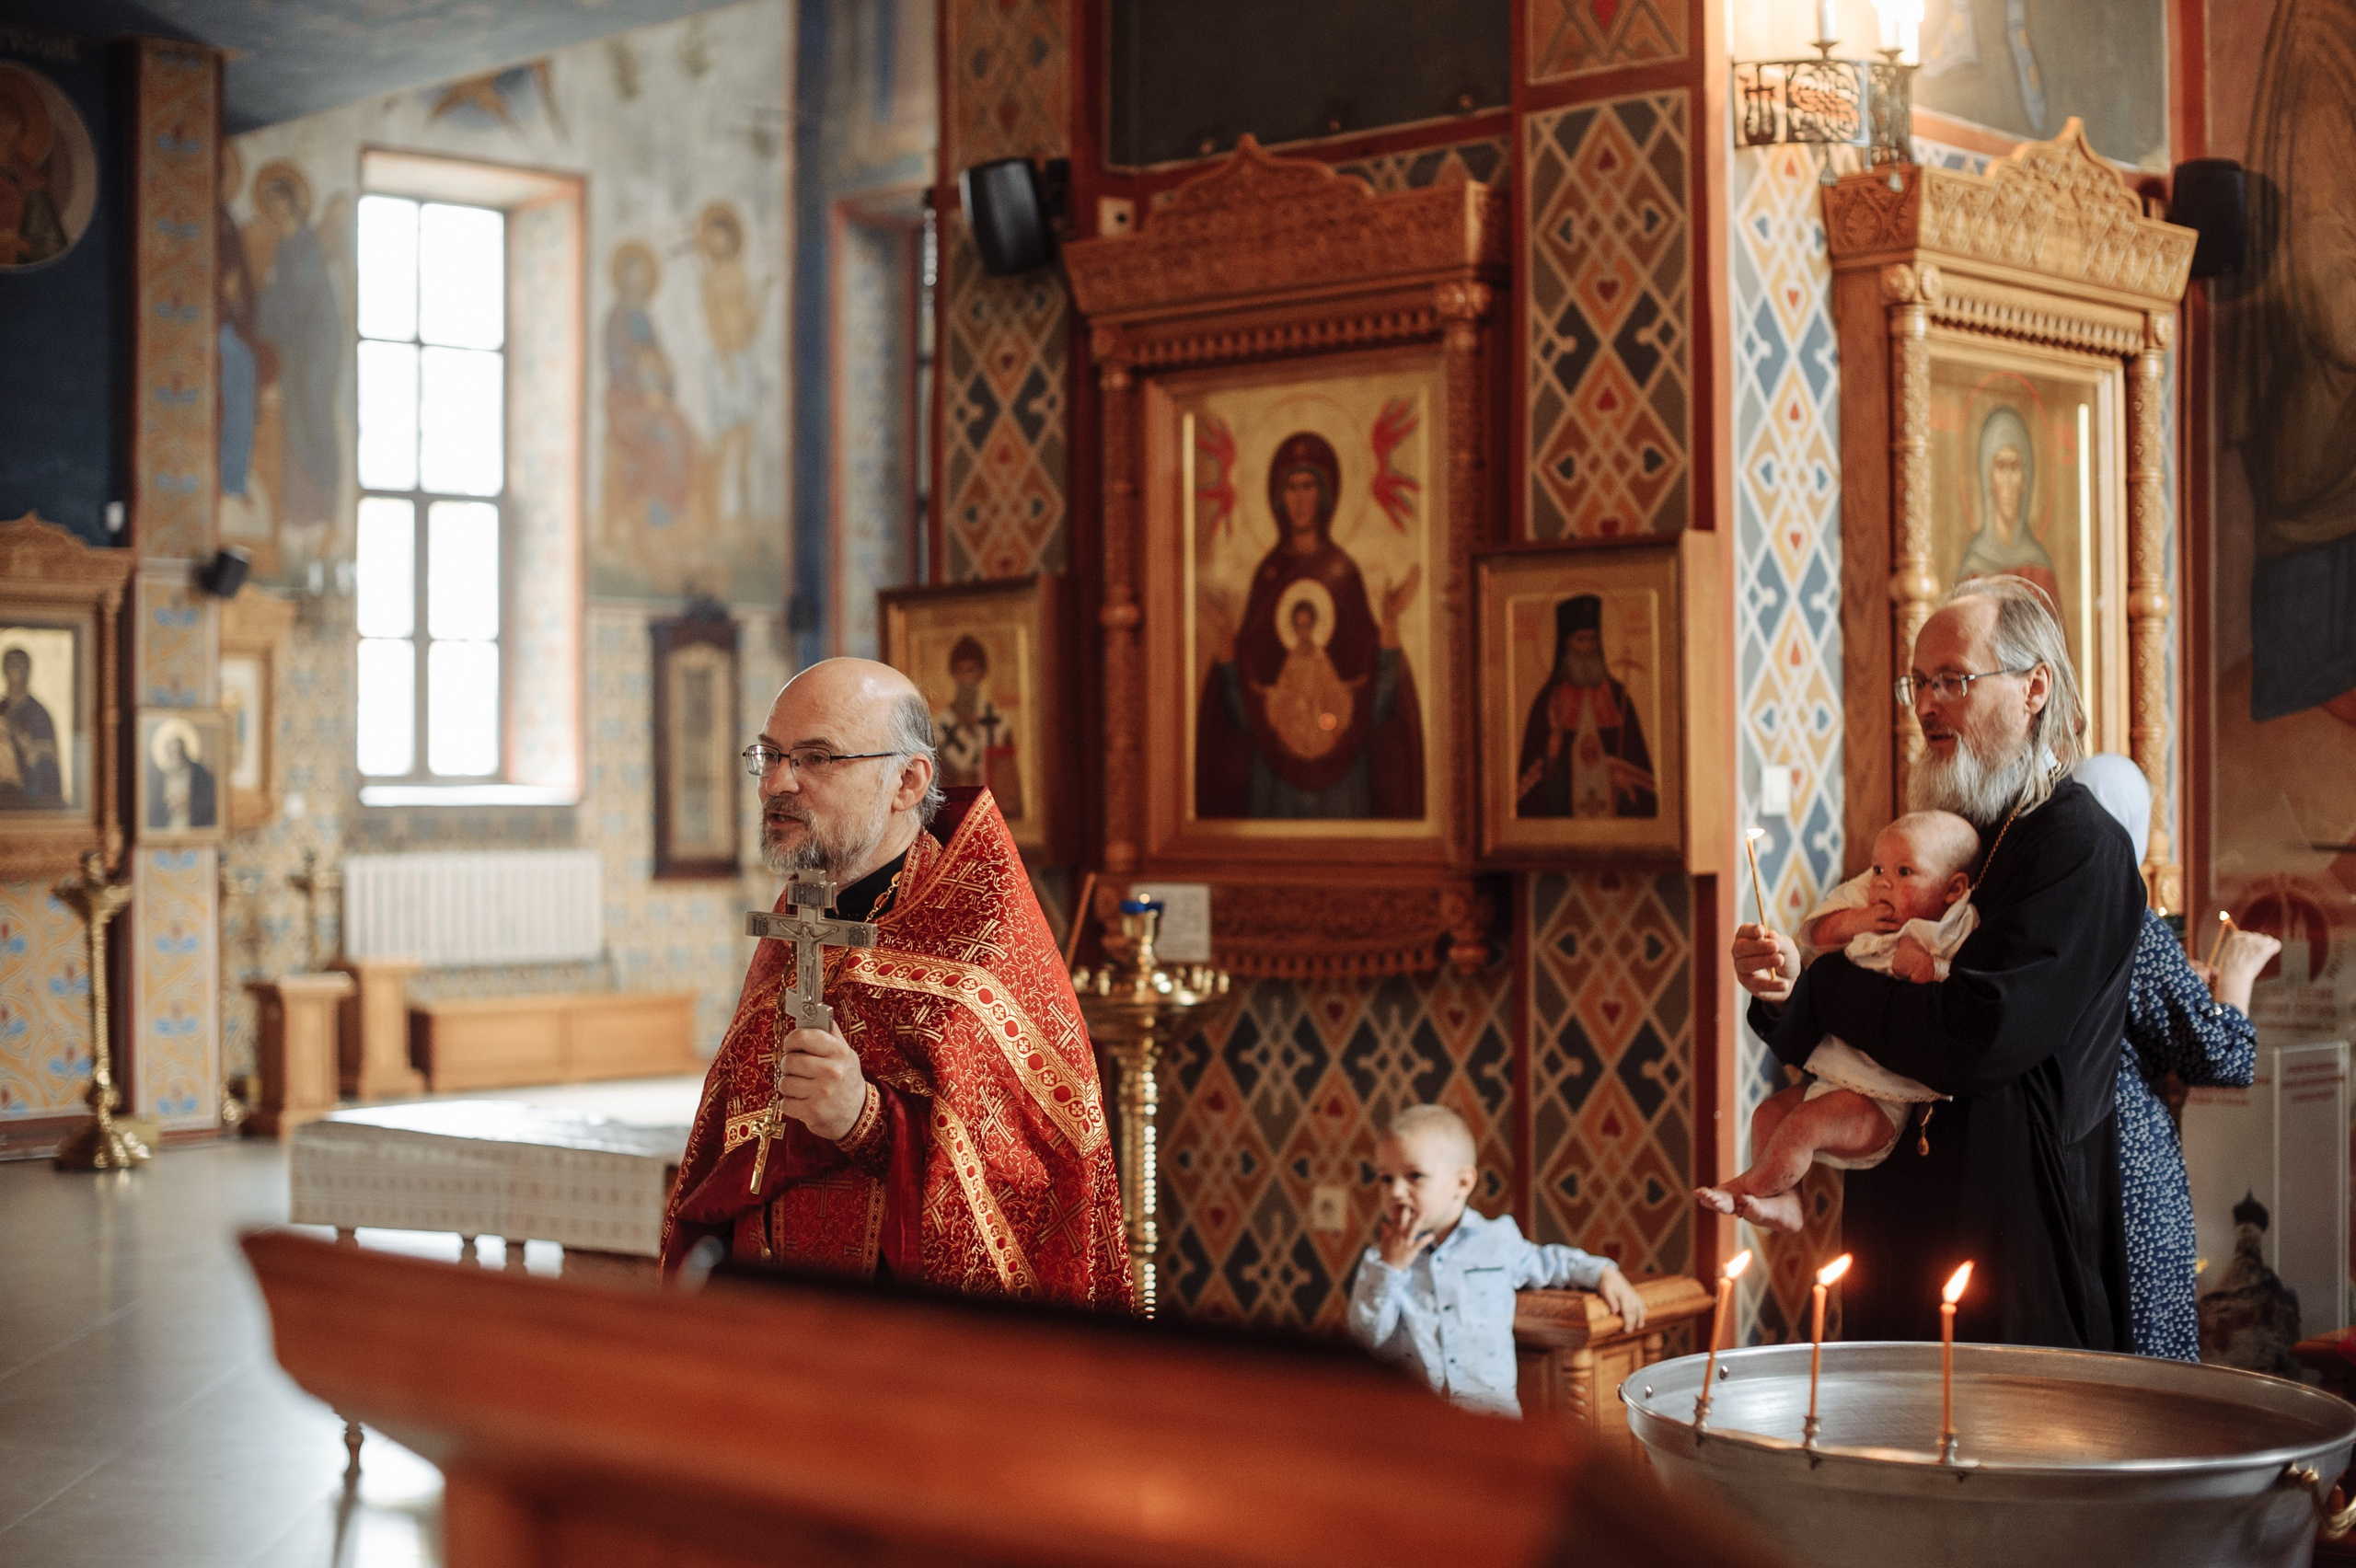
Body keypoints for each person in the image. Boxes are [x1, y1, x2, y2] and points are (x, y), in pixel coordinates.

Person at [1732, 575, 2146, 1347]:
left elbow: (1977, 1036)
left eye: (1952, 680)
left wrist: (1825, 986)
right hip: (1902, 1212)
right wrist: (1783, 990)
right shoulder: (1956, 835)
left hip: (2012, 1228)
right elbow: (1861, 1010)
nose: (1926, 705)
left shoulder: (2074, 845)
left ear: (2034, 688)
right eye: (1917, 684)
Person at [659, 659, 1131, 1309]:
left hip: (903, 1342)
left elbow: (1031, 1191)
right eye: (768, 755)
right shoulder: (796, 919)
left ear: (907, 781)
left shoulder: (980, 941)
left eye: (816, 759)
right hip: (770, 1322)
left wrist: (867, 1121)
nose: (775, 783)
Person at [2072, 753, 2277, 1362]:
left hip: (2064, 1150)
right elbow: (2221, 1057)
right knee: (2147, 1355)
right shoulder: (2126, 915)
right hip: (2127, 1156)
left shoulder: (2040, 905)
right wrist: (2235, 981)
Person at [1696, 811, 1981, 1232]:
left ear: (1953, 889)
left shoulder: (1955, 925)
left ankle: (1748, 1188)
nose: (1883, 882)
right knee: (1768, 1115)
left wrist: (1930, 968)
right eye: (1879, 868)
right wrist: (1860, 920)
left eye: (1904, 872)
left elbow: (1964, 987)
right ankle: (1787, 1203)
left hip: (1883, 1101)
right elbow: (1817, 934)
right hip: (1836, 1073)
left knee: (1803, 1126)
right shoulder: (1869, 898)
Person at [1346, 1105, 1646, 1417]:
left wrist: (1603, 1272)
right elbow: (1366, 1338)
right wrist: (1390, 1270)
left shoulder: (1497, 1242)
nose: (1395, 1192)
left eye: (1414, 1176)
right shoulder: (1379, 1263)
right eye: (1384, 1178)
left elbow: (1551, 1262)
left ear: (1462, 1183)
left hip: (1492, 1423)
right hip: (1413, 1422)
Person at [1195, 431, 1424, 820]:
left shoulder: (1344, 575)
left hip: (1345, 780)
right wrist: (1224, 639)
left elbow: (1375, 701)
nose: (1300, 500)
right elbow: (1243, 708)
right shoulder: (1268, 576)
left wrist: (1389, 624)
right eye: (1291, 488)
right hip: (1273, 777)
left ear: (1326, 493)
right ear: (1277, 497)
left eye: (1308, 486)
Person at [1516, 594, 1657, 818]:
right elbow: (1531, 790)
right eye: (1581, 640)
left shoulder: (1617, 696)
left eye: (1594, 639)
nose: (1590, 646)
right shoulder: (1549, 699)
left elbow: (1642, 774)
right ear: (1566, 646)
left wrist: (1627, 784)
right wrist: (1554, 745)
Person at [1954, 408, 2062, 614]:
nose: (2009, 482)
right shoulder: (1973, 569)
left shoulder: (2040, 569)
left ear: (2026, 477)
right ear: (1988, 477)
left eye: (2015, 467)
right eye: (2001, 466)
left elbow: (2055, 643)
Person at [931, 635, 1022, 819]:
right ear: (953, 674)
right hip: (955, 816)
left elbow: (1009, 781)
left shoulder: (997, 721)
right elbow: (936, 783)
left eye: (971, 670)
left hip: (992, 815)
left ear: (981, 673)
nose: (965, 678)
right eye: (960, 671)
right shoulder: (941, 726)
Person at [1, 646, 63, 804]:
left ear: (27, 671)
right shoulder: (2, 709)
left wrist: (27, 747)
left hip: (29, 794)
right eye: (9, 666)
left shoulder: (38, 714)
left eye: (18, 666)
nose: (13, 672)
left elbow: (47, 759)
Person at [145, 720, 215, 830]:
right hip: (169, 822)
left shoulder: (198, 772)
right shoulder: (160, 776)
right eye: (172, 753)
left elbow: (208, 800)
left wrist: (188, 802)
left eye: (178, 752)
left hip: (192, 821)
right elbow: (155, 807)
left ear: (184, 751)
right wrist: (169, 806)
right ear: (167, 752)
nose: (176, 756)